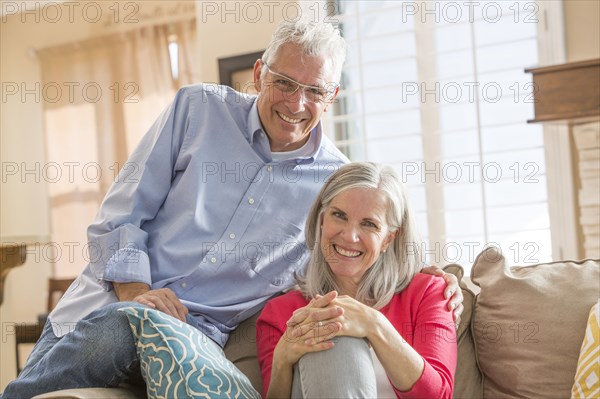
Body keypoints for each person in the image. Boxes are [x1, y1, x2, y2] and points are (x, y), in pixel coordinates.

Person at [2, 19, 461, 398]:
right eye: (284, 83)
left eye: (314, 91)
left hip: (191, 345)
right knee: (116, 332)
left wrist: (440, 277)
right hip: (105, 314)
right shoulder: (197, 109)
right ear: (260, 74)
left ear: (332, 96)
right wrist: (137, 293)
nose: (297, 104)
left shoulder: (333, 185)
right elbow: (121, 215)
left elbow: (361, 242)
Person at [257, 162, 457, 399]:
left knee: (332, 325)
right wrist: (282, 360)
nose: (349, 236)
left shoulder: (429, 292)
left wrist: (375, 325)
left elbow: (438, 396)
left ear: (388, 240)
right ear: (322, 220)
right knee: (330, 329)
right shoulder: (280, 314)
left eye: (369, 224)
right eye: (339, 216)